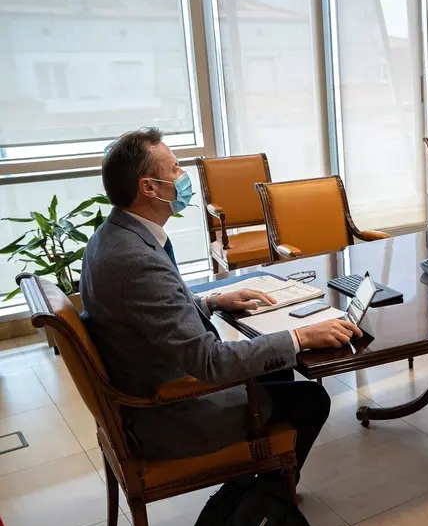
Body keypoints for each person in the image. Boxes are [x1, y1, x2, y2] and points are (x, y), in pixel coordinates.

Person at [81, 128, 361, 476]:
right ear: (149, 187)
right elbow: (210, 362)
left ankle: (265, 479)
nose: (183, 177)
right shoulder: (137, 261)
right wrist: (302, 337)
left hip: (146, 382)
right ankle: (262, 502)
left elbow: (147, 316)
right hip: (170, 412)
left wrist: (213, 301)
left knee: (278, 366)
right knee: (313, 399)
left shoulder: (113, 238)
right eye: (174, 169)